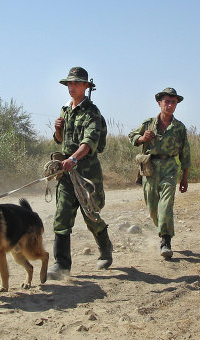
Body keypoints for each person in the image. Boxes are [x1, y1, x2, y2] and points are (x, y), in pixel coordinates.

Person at [47, 66, 113, 280]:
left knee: (91, 216)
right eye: (69, 83)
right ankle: (61, 264)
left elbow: (89, 142)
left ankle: (105, 248)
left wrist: (74, 158)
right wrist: (57, 129)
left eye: (76, 83)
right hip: (66, 173)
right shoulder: (65, 110)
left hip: (86, 173)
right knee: (62, 216)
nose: (71, 87)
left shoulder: (92, 113)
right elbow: (60, 140)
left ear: (86, 86)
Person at [128, 87, 191, 259]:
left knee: (166, 204)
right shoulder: (148, 124)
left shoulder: (179, 128)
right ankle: (163, 229)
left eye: (173, 102)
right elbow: (131, 136)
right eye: (167, 101)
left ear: (176, 104)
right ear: (159, 103)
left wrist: (184, 178)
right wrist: (142, 138)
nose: (170, 105)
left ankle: (166, 241)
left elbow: (185, 154)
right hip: (150, 168)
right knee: (153, 208)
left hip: (170, 167)